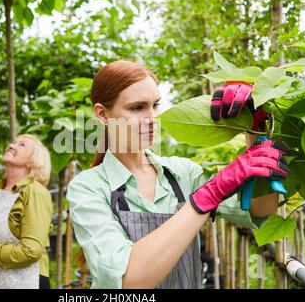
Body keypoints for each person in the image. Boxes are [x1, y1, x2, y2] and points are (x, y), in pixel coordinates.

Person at [66, 60, 289, 289]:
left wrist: (255, 126)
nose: (151, 118)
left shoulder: (182, 173)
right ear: (103, 114)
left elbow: (261, 209)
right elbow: (127, 281)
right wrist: (206, 197)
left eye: (155, 105)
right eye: (137, 108)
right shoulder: (88, 188)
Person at [0, 134, 53, 289]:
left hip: (25, 282)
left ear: (33, 159)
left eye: (22, 145)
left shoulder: (35, 192)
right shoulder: (0, 191)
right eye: (13, 142)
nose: (12, 145)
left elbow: (31, 251)